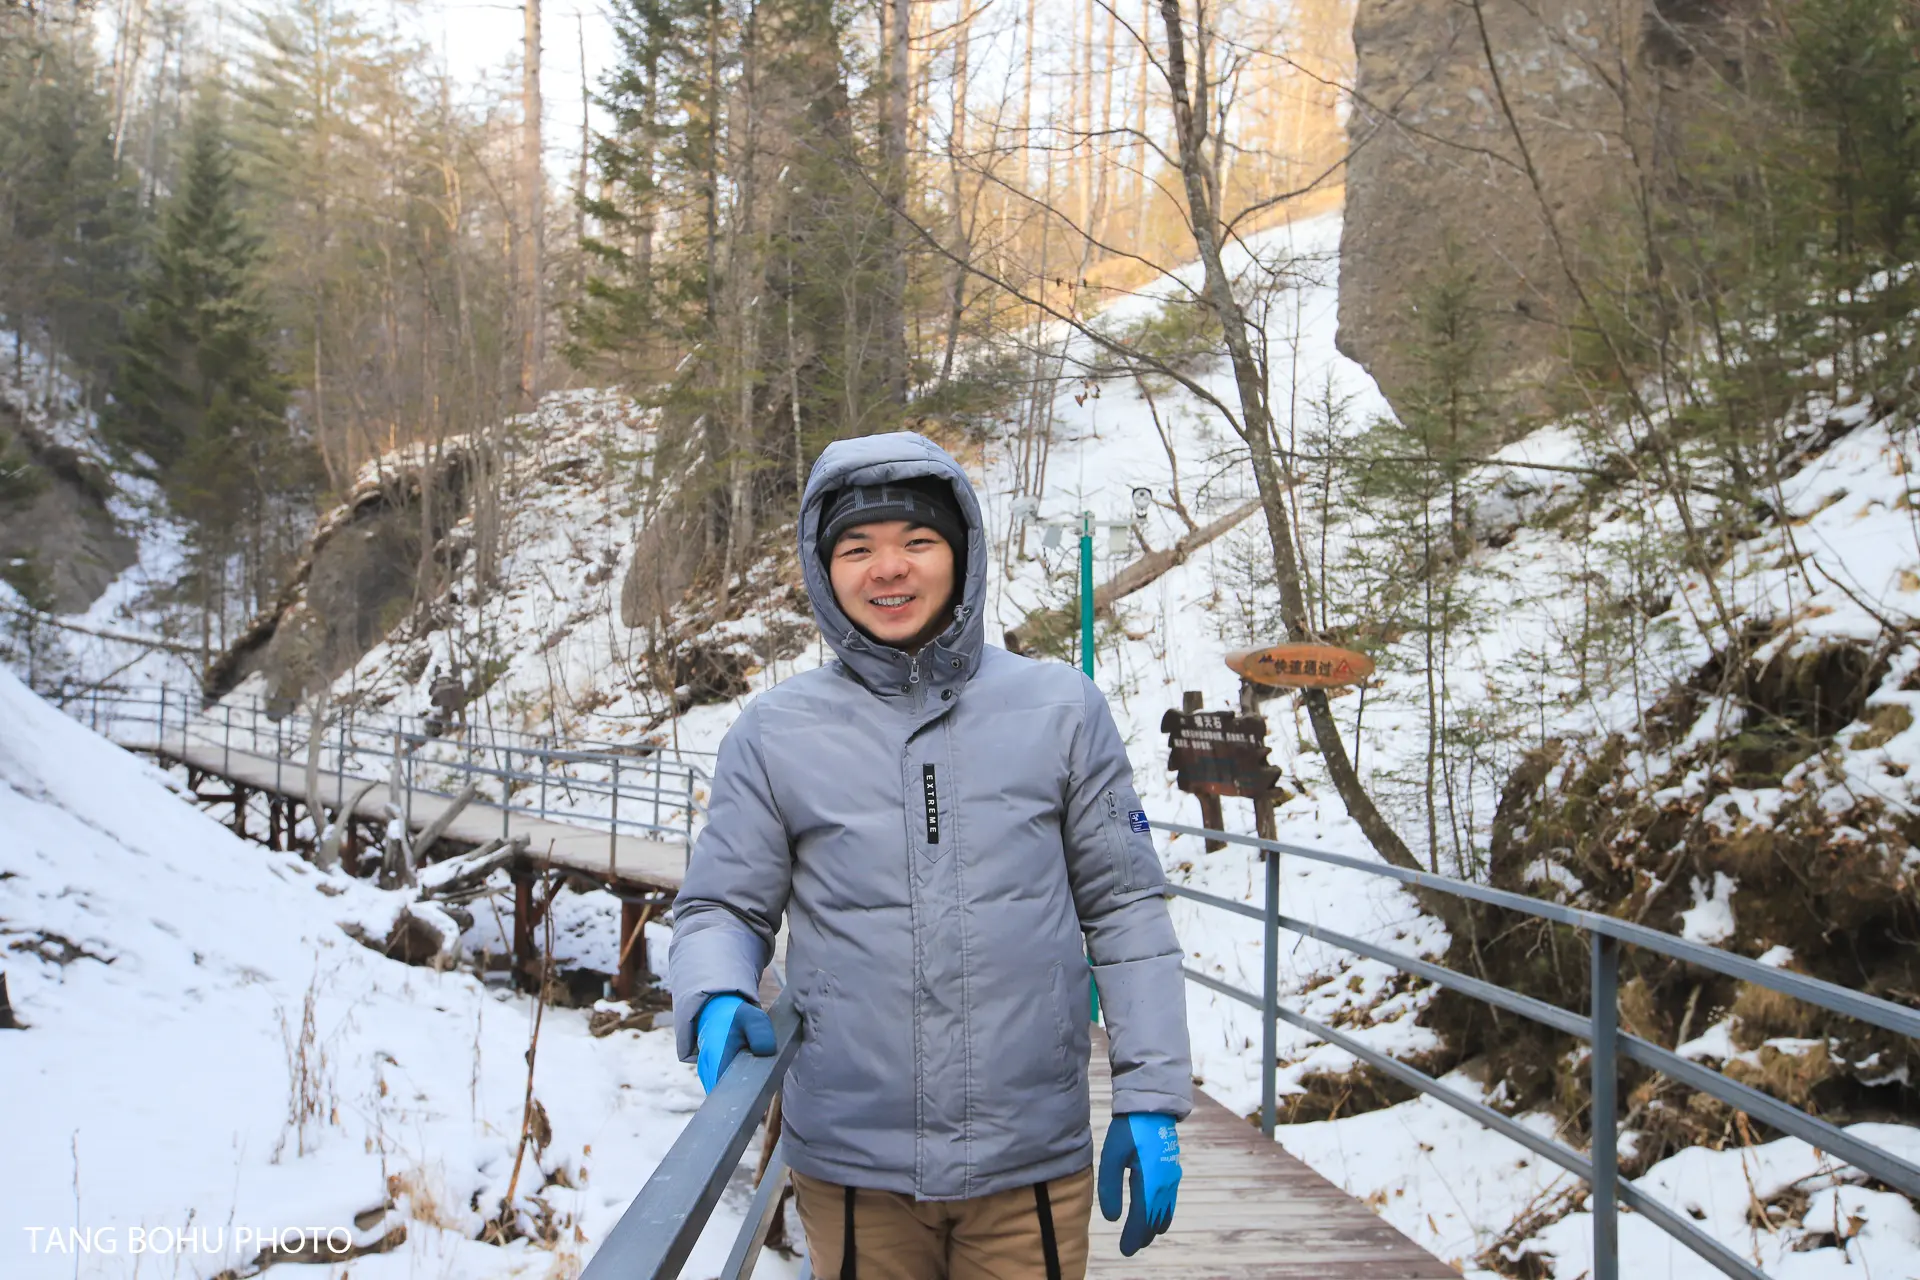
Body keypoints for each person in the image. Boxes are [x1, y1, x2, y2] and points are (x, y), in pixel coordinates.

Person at [669, 432, 1191, 1279]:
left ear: (961, 554)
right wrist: (717, 990)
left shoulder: (1061, 710)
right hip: (851, 1168)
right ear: (822, 568)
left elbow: (1126, 908)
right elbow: (723, 906)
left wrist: (1152, 1094)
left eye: (917, 541)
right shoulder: (774, 735)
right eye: (857, 548)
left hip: (1029, 1165)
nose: (888, 569)